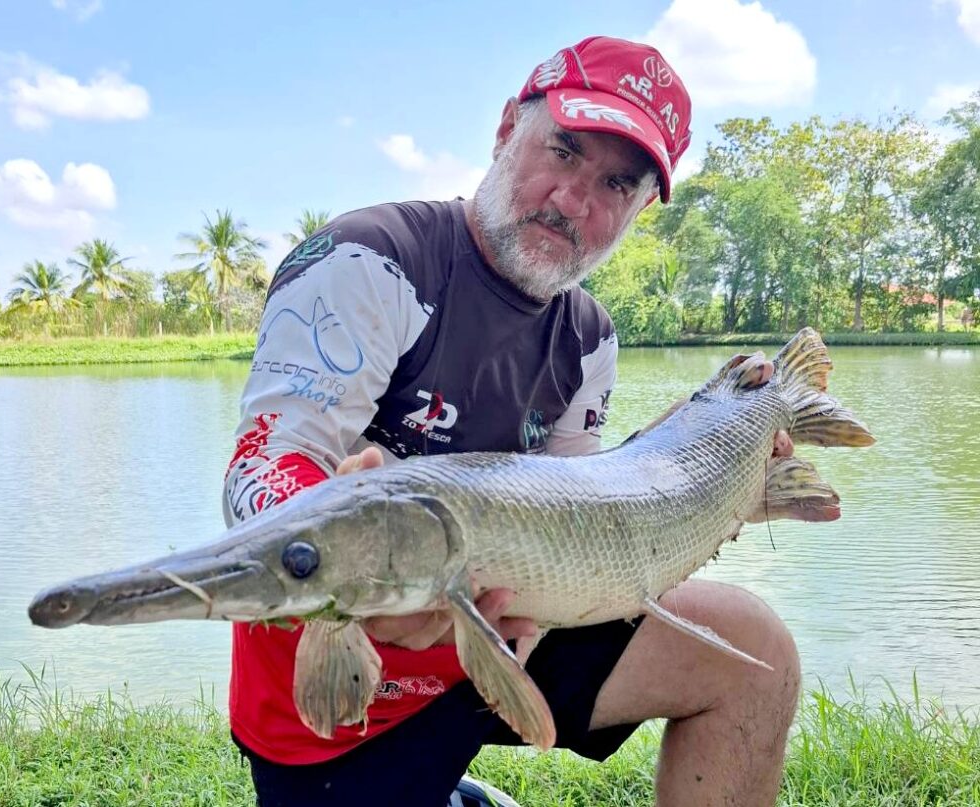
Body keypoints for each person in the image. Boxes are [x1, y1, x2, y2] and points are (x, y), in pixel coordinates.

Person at [223, 36, 800, 807]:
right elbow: (263, 469)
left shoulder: (589, 335)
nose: (574, 201)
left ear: (633, 210)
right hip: (337, 689)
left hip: (498, 639)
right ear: (505, 129)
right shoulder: (368, 260)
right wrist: (360, 561)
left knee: (754, 654)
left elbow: (576, 511)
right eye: (562, 151)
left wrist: (697, 465)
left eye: (615, 185)